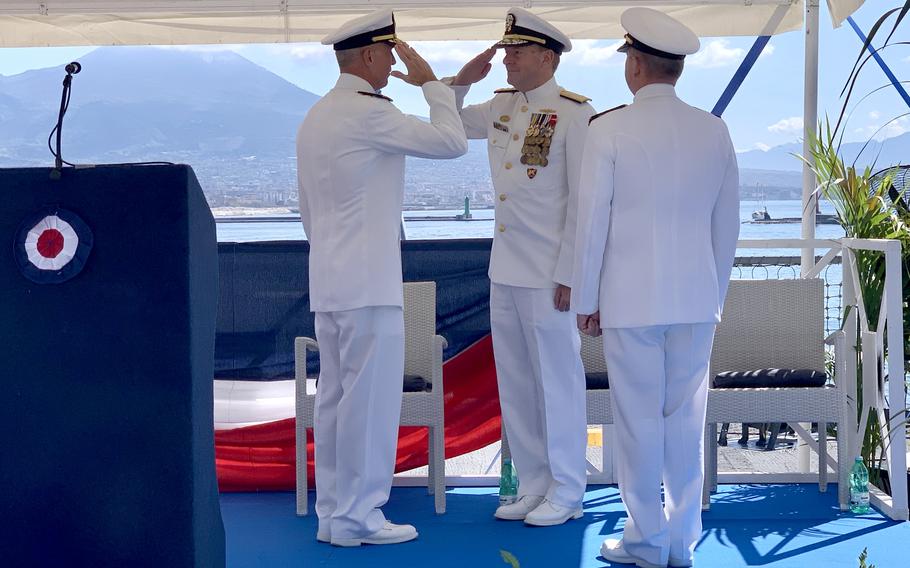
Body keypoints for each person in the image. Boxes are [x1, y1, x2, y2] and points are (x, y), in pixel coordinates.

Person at [571, 7, 740, 567]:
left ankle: (645, 541)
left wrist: (587, 299)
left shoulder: (609, 129)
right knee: (686, 424)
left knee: (638, 422)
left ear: (635, 65)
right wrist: (711, 299)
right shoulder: (713, 130)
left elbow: (592, 221)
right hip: (696, 301)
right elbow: (727, 226)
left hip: (631, 303)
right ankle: (682, 543)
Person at [296, 8, 467, 547]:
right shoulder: (368, 113)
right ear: (369, 55)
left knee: (335, 403)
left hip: (329, 283)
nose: (395, 62)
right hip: (369, 284)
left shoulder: (316, 116)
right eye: (390, 53)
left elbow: (305, 212)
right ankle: (360, 518)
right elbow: (451, 142)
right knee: (368, 406)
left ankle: (332, 514)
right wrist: (433, 86)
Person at [449, 7, 594, 526]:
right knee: (517, 381)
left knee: (557, 381)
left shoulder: (576, 114)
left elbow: (583, 201)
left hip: (548, 273)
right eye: (505, 49)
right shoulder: (501, 106)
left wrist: (572, 272)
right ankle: (535, 483)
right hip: (505, 269)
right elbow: (445, 123)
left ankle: (569, 490)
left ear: (547, 56)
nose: (505, 58)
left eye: (516, 50)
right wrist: (461, 83)